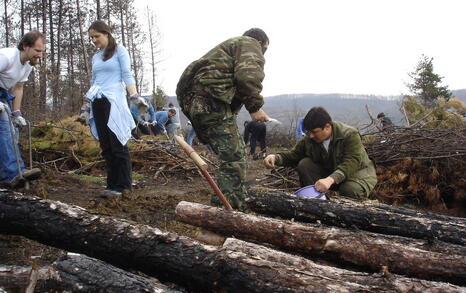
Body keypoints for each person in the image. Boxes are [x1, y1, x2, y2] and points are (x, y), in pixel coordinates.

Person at [176, 28, 271, 210]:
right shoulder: (250, 43)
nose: (262, 54)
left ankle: (226, 202)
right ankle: (228, 213)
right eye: (264, 50)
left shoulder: (224, 52)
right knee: (235, 159)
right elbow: (247, 76)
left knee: (229, 155)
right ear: (262, 43)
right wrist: (255, 107)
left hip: (194, 102)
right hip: (210, 101)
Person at [264, 107, 377, 199]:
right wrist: (276, 157)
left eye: (314, 132)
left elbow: (352, 162)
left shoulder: (349, 135)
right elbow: (294, 155)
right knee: (305, 164)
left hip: (358, 174)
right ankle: (315, 201)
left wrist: (330, 179)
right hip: (331, 173)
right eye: (309, 132)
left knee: (349, 189)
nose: (311, 136)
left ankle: (355, 212)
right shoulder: (311, 138)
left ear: (327, 127)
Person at [84, 20, 141, 198]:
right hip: (98, 102)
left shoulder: (120, 51)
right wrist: (86, 105)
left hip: (114, 102)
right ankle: (112, 185)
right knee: (106, 146)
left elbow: (126, 74)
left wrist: (134, 95)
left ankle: (123, 186)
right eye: (91, 37)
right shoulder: (96, 57)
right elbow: (94, 81)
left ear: (106, 34)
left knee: (118, 145)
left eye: (96, 36)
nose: (94, 40)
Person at [0, 30, 45, 188]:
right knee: (5, 129)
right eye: (37, 50)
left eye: (42, 51)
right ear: (25, 46)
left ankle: (8, 171)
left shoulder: (28, 64)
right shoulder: (6, 57)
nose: (40, 55)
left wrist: (16, 113)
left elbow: (18, 87)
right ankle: (13, 174)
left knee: (14, 130)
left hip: (5, 95)